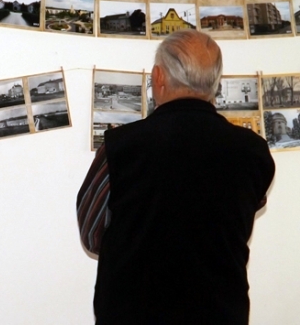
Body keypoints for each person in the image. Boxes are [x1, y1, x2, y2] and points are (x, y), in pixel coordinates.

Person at [77, 30, 275, 325]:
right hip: (220, 312)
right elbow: (240, 222)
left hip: (132, 312)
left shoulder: (121, 146)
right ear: (214, 83)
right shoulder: (253, 151)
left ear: (158, 77)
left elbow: (92, 234)